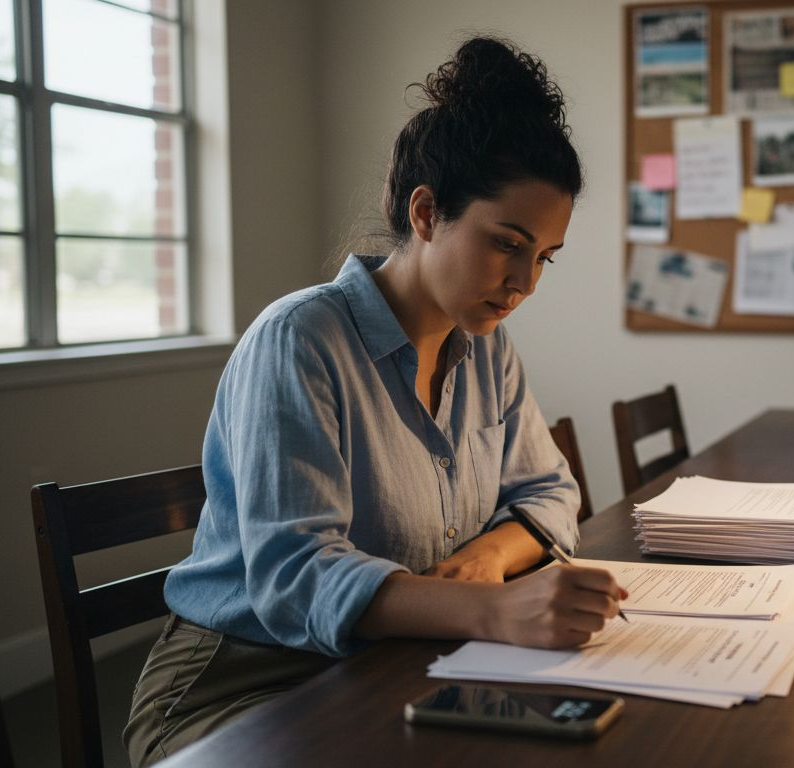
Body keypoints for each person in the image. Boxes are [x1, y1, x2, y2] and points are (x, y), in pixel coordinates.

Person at [123, 36, 624, 766]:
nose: (525, 283)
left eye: (543, 256)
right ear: (426, 214)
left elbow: (549, 490)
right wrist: (493, 609)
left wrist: (486, 559)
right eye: (507, 243)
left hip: (397, 657)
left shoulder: (485, 345)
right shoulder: (301, 339)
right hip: (239, 682)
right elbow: (296, 575)